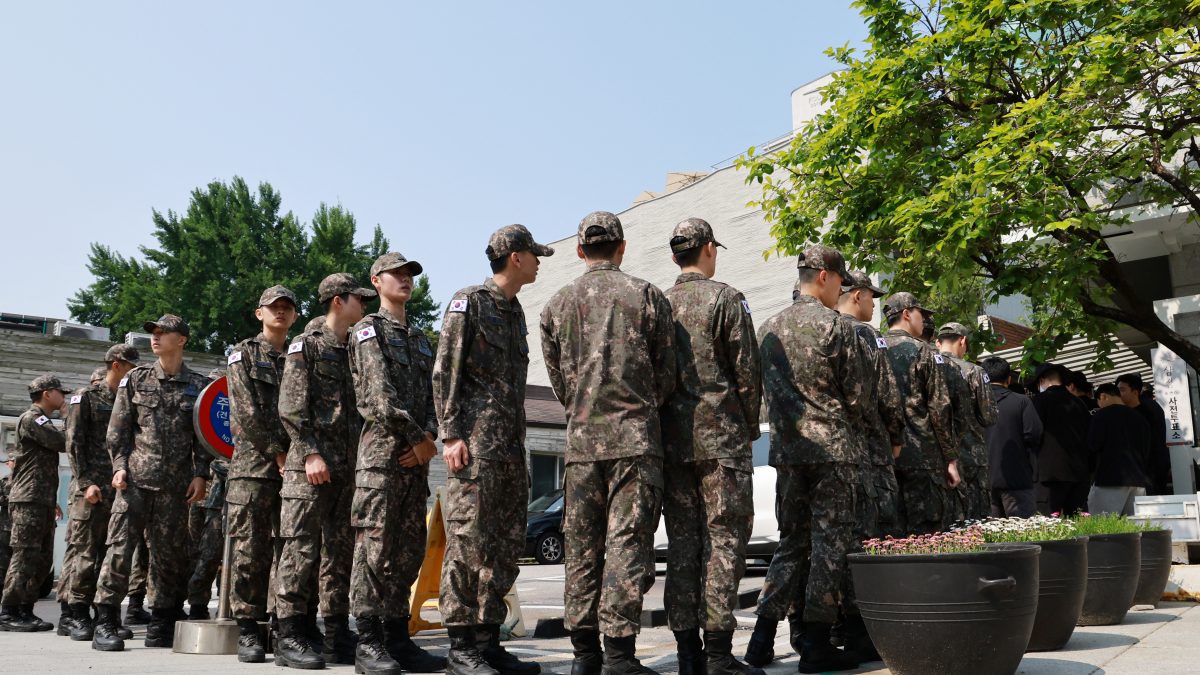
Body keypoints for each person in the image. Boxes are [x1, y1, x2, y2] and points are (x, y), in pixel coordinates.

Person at [540, 211, 675, 675]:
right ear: (621, 247)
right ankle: (619, 656)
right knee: (626, 546)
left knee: (581, 548)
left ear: (580, 250)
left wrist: (585, 408)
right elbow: (667, 374)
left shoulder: (556, 304)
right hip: (635, 442)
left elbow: (559, 381)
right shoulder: (647, 296)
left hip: (581, 446)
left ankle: (584, 656)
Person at [434, 224, 555, 675]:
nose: (540, 261)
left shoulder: (515, 311)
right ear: (516, 257)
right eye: (535, 254)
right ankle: (460, 644)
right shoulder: (470, 302)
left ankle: (487, 640)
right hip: (475, 448)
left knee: (504, 548)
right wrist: (450, 434)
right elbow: (445, 370)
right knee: (467, 544)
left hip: (510, 448)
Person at [745, 245, 864, 674]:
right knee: (829, 545)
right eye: (840, 281)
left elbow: (757, 395)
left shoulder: (769, 328)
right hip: (832, 451)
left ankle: (760, 640)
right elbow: (856, 396)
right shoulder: (837, 328)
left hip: (788, 453)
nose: (841, 290)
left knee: (791, 544)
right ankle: (814, 644)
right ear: (825, 276)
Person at [659, 219, 763, 675]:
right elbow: (747, 369)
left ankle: (687, 656)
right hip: (721, 439)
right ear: (706, 249)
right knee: (724, 541)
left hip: (672, 441)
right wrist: (749, 424)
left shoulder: (658, 302)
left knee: (683, 546)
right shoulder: (726, 297)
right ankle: (718, 654)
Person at [349, 254, 445, 675]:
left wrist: (429, 436)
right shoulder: (368, 331)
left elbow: (433, 396)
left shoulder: (422, 339)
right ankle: (368, 641)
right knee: (374, 550)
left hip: (414, 461)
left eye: (410, 275)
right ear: (376, 281)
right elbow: (379, 397)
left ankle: (396, 637)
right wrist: (420, 439)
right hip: (382, 460)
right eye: (397, 274)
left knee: (407, 552)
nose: (405, 280)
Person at [92, 314, 212, 651]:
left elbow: (204, 437)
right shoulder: (136, 380)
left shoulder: (198, 386)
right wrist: (119, 467)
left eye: (163, 333)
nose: (155, 338)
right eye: (153, 333)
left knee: (168, 556)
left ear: (182, 340)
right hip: (137, 481)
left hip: (177, 487)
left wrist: (201, 473)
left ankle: (161, 621)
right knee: (120, 550)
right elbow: (118, 431)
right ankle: (106, 621)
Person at [275, 274, 374, 670]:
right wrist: (312, 453)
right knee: (300, 549)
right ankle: (289, 635)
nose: (363, 306)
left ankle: (335, 632)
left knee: (340, 554)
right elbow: (291, 406)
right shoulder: (307, 346)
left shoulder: (355, 350)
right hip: (310, 469)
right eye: (357, 299)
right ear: (337, 301)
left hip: (347, 470)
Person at [829, 270, 903, 664]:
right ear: (856, 296)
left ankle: (835, 627)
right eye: (871, 298)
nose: (874, 305)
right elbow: (887, 395)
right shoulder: (864, 335)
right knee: (870, 542)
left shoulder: (824, 328)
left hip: (828, 456)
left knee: (833, 545)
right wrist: (896, 438)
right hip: (869, 455)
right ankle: (862, 633)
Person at [225, 284, 299, 663]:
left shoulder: (301, 355)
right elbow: (246, 412)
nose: (280, 313)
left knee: (292, 549)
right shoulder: (243, 354)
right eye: (274, 307)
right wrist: (278, 452)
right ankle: (249, 629)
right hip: (254, 469)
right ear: (260, 313)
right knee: (250, 552)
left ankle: (284, 625)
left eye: (287, 308)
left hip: (296, 469)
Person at [58, 345, 139, 641]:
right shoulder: (87, 397)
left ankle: (104, 615)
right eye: (132, 366)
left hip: (119, 487)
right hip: (90, 488)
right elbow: (74, 443)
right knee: (85, 552)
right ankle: (75, 614)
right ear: (117, 365)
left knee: (110, 553)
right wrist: (85, 482)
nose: (135, 373)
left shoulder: (130, 400)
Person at [879, 293, 958, 535]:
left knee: (891, 534)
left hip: (883, 456)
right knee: (927, 533)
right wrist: (951, 459)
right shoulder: (923, 352)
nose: (923, 321)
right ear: (906, 314)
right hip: (922, 457)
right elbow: (940, 407)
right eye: (920, 314)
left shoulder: (874, 346)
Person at [0, 374, 70, 631]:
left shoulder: (41, 420)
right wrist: (67, 416)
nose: (63, 397)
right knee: (25, 555)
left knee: (41, 558)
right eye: (60, 393)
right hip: (28, 498)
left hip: (40, 498)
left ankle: (25, 610)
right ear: (47, 393)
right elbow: (63, 442)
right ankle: (9, 612)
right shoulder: (33, 418)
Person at [935, 323, 998, 521]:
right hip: (971, 456)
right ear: (963, 340)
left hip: (936, 455)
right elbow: (989, 416)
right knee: (976, 521)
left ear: (938, 342)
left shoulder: (929, 364)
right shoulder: (975, 371)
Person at [981, 357, 1043, 517]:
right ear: (1009, 379)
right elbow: (1034, 434)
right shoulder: (1022, 401)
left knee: (989, 534)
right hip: (1017, 476)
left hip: (982, 478)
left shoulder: (975, 402)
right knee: (1022, 532)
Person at [1032, 363, 1091, 515]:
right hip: (1079, 471)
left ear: (1042, 380)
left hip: (1049, 474)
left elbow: (1033, 433)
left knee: (1048, 524)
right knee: (1076, 522)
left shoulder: (1040, 401)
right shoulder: (1079, 403)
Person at [1088, 383, 1152, 515]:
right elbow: (1146, 449)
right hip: (1138, 480)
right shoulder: (1139, 418)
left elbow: (1093, 445)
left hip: (1110, 480)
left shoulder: (1101, 416)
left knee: (1103, 529)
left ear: (1103, 396)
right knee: (1135, 529)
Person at [1115, 374, 1171, 495]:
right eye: (1117, 389)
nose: (1118, 393)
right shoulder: (1143, 408)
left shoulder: (1147, 411)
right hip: (1142, 467)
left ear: (1135, 392)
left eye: (1122, 389)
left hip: (1150, 466)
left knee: (1151, 499)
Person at [186, 460, 227, 620]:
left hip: (247, 496)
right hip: (213, 501)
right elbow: (214, 458)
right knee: (207, 556)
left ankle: (228, 607)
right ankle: (198, 606)